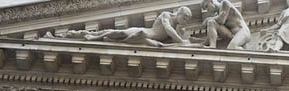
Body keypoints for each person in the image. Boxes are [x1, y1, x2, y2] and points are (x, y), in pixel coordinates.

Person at [55, 7, 194, 46]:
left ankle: (97, 38)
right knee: (117, 33)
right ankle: (91, 37)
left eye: (188, 20)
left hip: (147, 39)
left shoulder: (179, 29)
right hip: (144, 32)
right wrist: (182, 41)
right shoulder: (166, 15)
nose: (185, 21)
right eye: (185, 18)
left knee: (118, 37)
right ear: (179, 13)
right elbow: (168, 30)